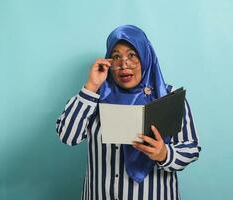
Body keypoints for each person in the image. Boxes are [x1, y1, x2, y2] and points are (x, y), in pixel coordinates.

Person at [56, 25, 201, 200]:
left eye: (132, 55)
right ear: (108, 62)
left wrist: (164, 154)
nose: (124, 64)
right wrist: (92, 86)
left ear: (145, 57)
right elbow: (68, 136)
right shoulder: (94, 98)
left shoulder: (168, 97)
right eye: (116, 56)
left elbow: (191, 148)